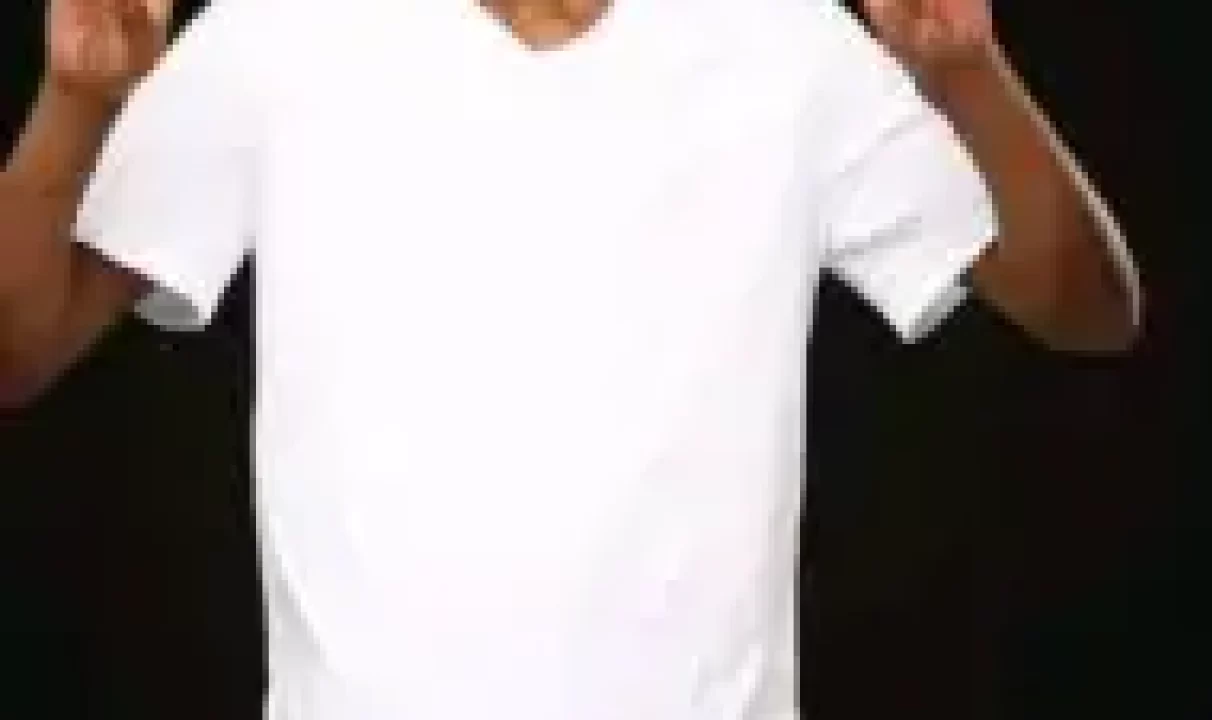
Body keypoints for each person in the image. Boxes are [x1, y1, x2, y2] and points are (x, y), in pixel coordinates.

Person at [0, 0, 1141, 717]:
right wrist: (74, 105)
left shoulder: (783, 43)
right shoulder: (280, 34)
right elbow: (20, 352)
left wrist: (968, 77)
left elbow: (1084, 309)